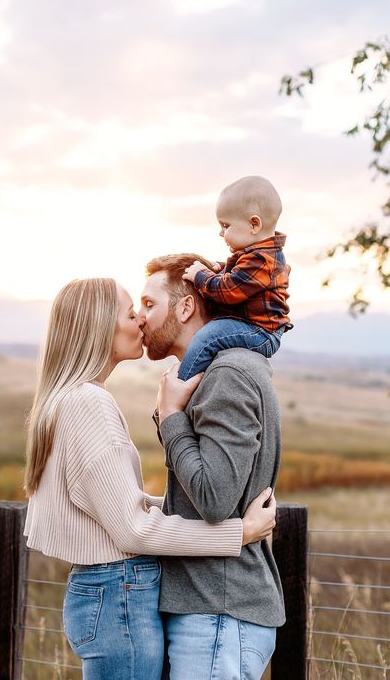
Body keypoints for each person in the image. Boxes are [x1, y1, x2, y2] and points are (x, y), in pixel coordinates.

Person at [23, 277, 277, 680]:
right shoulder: (88, 403)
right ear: (99, 326)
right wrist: (238, 533)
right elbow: (133, 532)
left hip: (110, 593)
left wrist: (168, 504)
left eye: (143, 308)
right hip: (118, 592)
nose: (140, 321)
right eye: (130, 313)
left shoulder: (72, 398)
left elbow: (114, 506)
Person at [139, 254, 286, 680]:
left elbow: (214, 498)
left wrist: (171, 420)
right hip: (210, 612)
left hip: (220, 614)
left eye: (150, 304)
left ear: (185, 308)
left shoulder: (228, 374)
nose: (141, 317)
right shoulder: (216, 372)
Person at [179, 175, 292, 380]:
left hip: (260, 332)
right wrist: (218, 268)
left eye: (225, 225)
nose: (221, 233)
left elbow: (228, 291)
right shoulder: (257, 256)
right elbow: (238, 276)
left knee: (208, 336)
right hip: (254, 327)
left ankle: (181, 383)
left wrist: (200, 276)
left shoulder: (261, 260)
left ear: (254, 224)